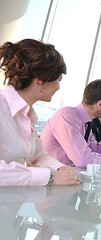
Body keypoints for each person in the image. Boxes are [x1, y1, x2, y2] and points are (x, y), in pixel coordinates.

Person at [0, 38, 81, 186]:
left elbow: (38, 156)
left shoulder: (26, 115)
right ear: (41, 80)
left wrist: (62, 169)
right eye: (59, 79)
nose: (58, 87)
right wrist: (49, 177)